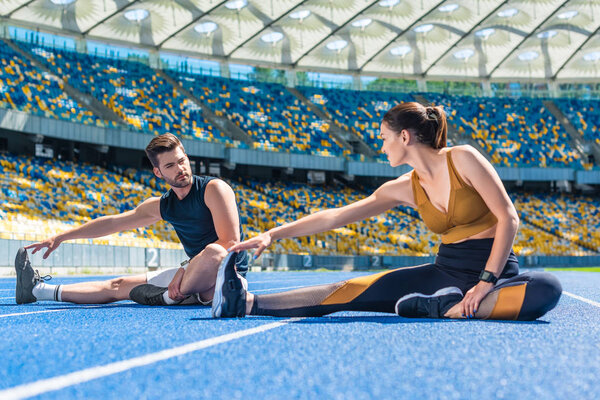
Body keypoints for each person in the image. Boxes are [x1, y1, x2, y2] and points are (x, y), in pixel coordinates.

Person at [211, 103, 562, 321]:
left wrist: (484, 285)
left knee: (547, 288)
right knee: (349, 288)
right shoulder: (403, 186)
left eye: (383, 137)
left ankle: (448, 309)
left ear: (405, 137)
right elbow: (336, 216)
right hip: (444, 275)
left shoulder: (463, 158)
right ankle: (245, 303)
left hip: (496, 274)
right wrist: (273, 234)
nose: (381, 146)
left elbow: (508, 218)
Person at [15, 133, 248, 306]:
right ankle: (38, 290)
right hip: (193, 277)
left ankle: (168, 296)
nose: (180, 169)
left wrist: (184, 269)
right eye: (170, 165)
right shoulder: (164, 205)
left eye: (181, 160)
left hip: (227, 277)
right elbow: (114, 222)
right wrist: (62, 236)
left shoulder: (214, 189)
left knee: (214, 252)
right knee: (118, 286)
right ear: (158, 172)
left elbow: (230, 242)